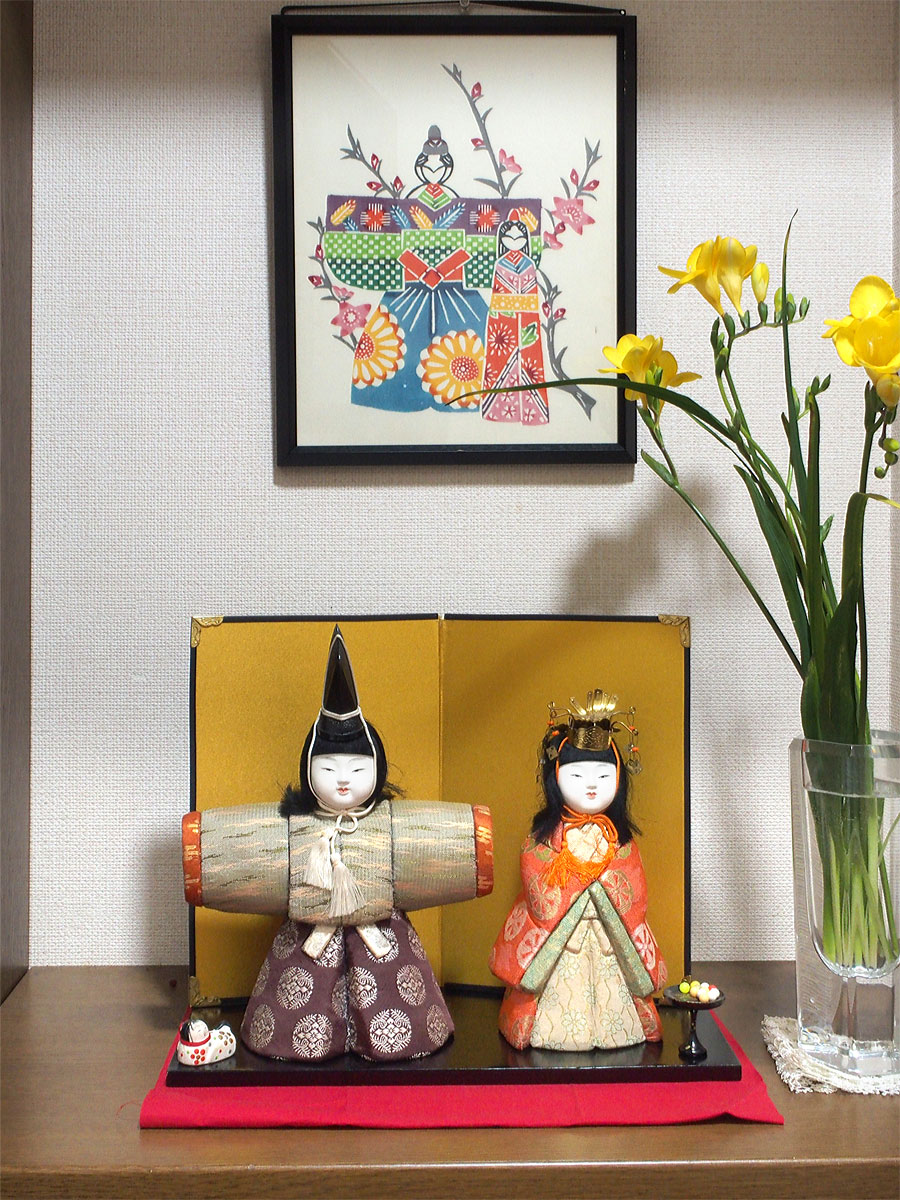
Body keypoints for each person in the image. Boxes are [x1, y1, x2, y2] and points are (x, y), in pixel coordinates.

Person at [239, 626, 456, 1062]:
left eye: (357, 769)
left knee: (395, 995)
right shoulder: (301, 827)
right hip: (309, 932)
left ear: (377, 769)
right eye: (328, 768)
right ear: (308, 769)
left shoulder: (387, 824)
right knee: (300, 999)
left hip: (380, 931)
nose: (343, 780)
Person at [490, 691, 666, 1051]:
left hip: (608, 935)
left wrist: (600, 888)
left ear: (618, 779)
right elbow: (538, 884)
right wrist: (583, 887)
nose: (591, 784)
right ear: (555, 778)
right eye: (578, 774)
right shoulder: (541, 842)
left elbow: (634, 893)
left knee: (616, 999)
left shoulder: (620, 842)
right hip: (560, 938)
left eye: (603, 774)